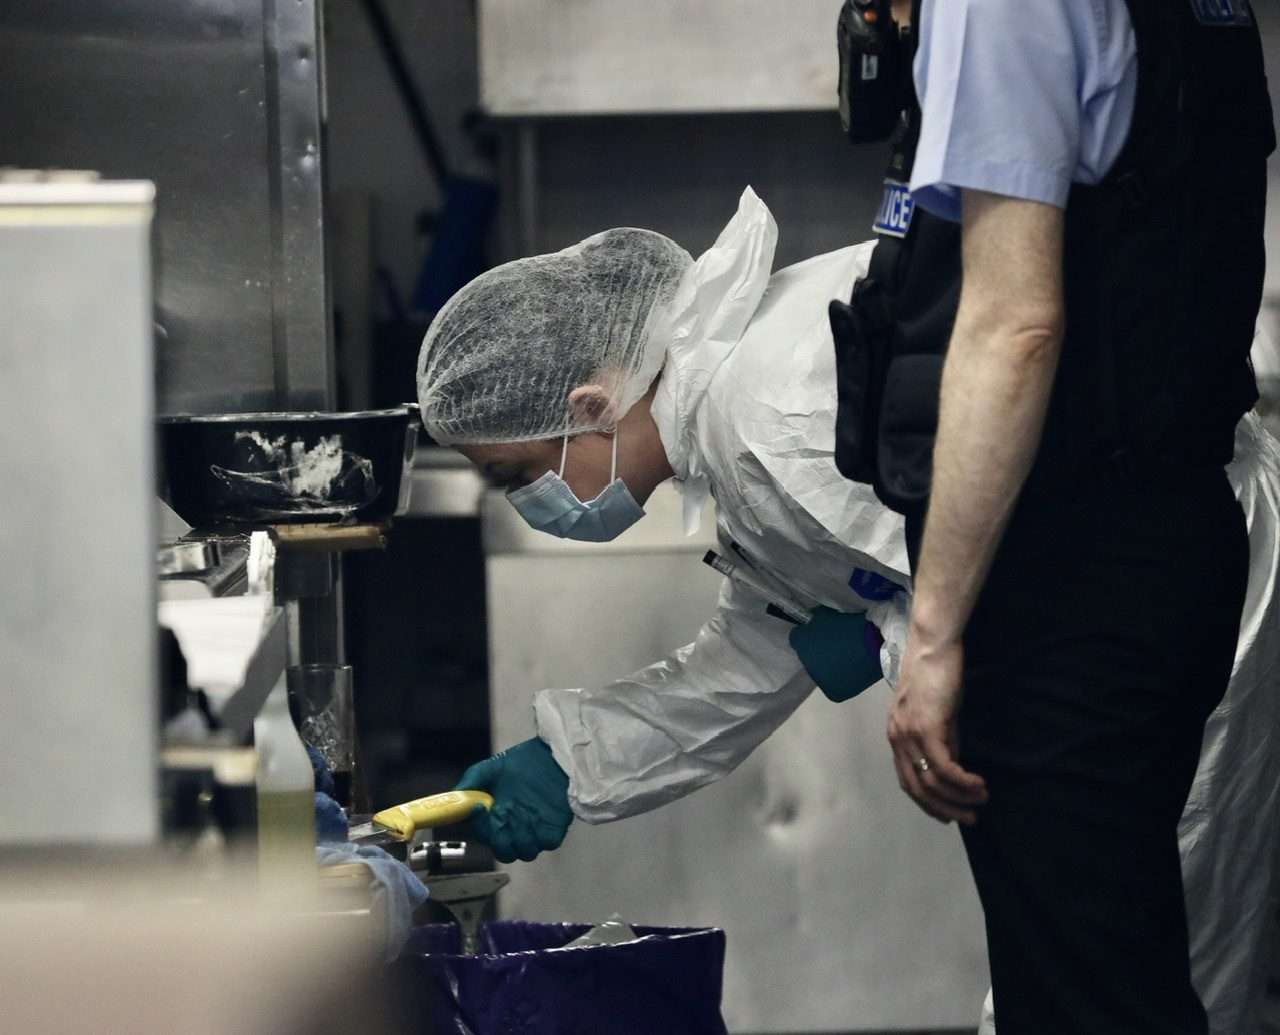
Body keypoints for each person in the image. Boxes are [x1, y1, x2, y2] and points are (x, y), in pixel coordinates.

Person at [831, 1, 1275, 1032]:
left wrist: (933, 637)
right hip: (1173, 530)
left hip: (1064, 570)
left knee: (1084, 1000)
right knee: (1110, 971)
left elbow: (1014, 321)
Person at [417, 188, 915, 846]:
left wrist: (889, 635)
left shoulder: (766, 414)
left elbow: (1000, 573)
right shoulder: (720, 427)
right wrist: (565, 764)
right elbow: (753, 657)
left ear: (592, 406)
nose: (528, 501)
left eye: (517, 474)